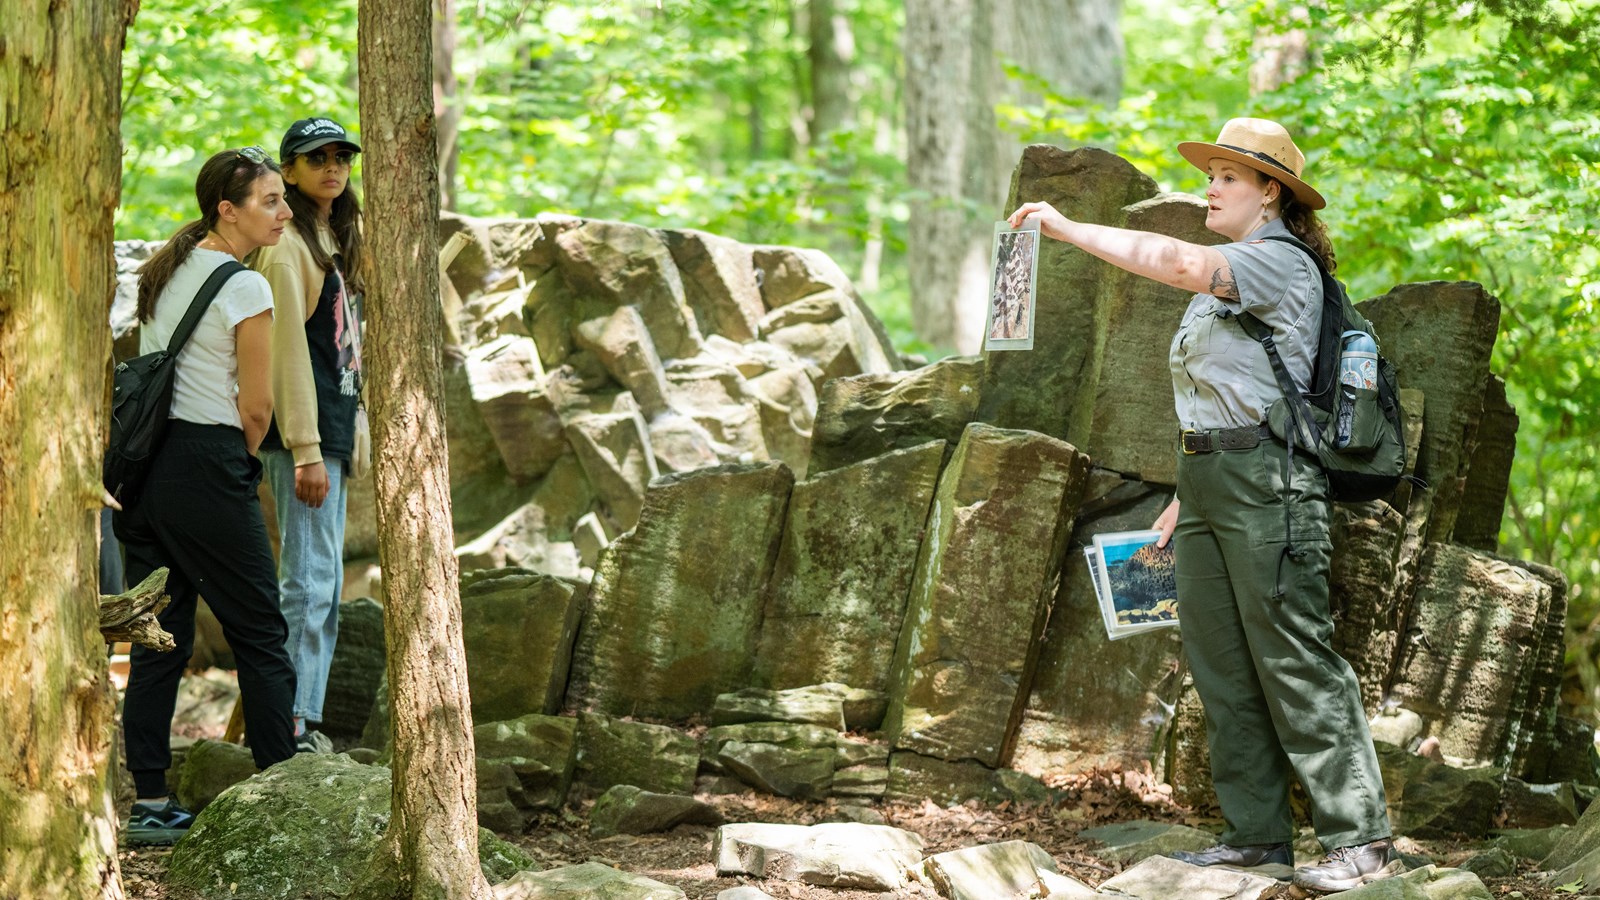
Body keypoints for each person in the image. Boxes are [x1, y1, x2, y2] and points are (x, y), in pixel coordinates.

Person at [1008, 118, 1402, 894]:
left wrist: (1064, 226)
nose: (1209, 187)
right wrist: (1186, 495)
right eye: (1210, 173)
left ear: (1272, 194)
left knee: (1294, 656)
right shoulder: (1234, 271)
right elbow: (1221, 395)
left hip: (1272, 487)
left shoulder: (1279, 264)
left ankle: (1362, 844)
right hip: (1213, 483)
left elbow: (1178, 262)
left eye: (1228, 176)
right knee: (1221, 665)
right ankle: (1257, 839)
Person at [116, 147, 298, 844]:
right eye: (270, 202)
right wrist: (235, 464)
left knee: (160, 636)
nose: (283, 214)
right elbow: (256, 409)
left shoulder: (168, 269)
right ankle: (286, 787)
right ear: (228, 209)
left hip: (146, 468)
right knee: (261, 629)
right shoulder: (247, 288)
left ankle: (151, 803)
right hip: (206, 459)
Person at [251, 117, 367, 752]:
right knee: (308, 579)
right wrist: (306, 448)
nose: (332, 166)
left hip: (328, 437)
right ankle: (290, 727)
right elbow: (286, 352)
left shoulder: (328, 236)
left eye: (341, 156)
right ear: (287, 170)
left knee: (321, 580)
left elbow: (342, 352)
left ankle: (300, 718)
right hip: (304, 442)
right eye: (315, 157)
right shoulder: (286, 245)